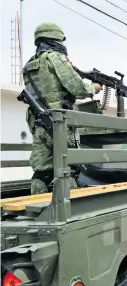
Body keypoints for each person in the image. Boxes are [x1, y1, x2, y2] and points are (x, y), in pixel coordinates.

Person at [23, 22, 102, 195]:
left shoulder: (29, 65)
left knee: (41, 171)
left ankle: (39, 208)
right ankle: (66, 208)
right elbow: (78, 88)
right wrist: (94, 87)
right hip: (59, 124)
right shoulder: (55, 58)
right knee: (70, 166)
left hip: (39, 125)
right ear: (55, 39)